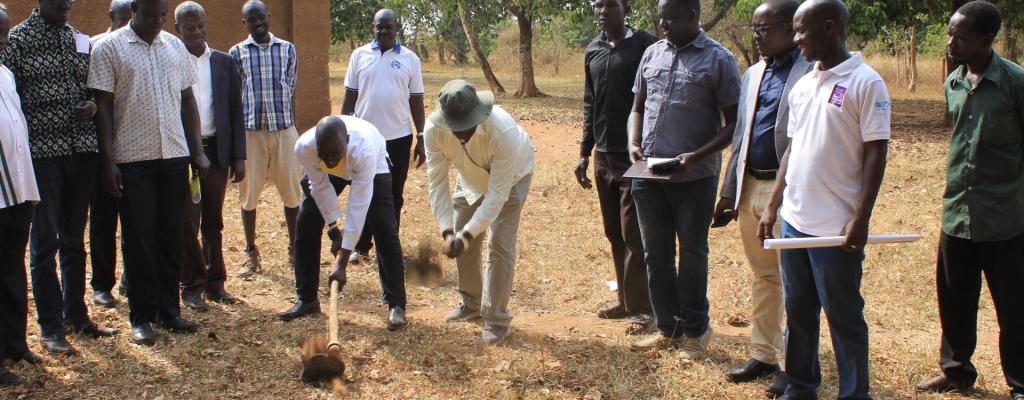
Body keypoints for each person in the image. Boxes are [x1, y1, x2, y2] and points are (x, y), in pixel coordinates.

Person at [757, 0, 891, 398]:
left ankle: (854, 393)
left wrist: (861, 217)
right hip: (796, 221)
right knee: (798, 311)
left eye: (802, 31)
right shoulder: (803, 85)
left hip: (835, 227)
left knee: (843, 315)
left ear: (829, 28)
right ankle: (800, 385)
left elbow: (875, 153)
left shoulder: (866, 83)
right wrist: (773, 206)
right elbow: (792, 151)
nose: (795, 39)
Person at [915, 2, 1024, 399]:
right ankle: (956, 370)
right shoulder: (953, 82)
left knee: (1014, 307)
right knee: (955, 300)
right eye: (949, 34)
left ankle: (1020, 382)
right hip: (957, 212)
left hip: (1005, 218)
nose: (950, 43)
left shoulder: (1015, 83)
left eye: (960, 37)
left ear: (986, 39)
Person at [0, 0, 119, 356]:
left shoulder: (81, 40)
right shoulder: (17, 41)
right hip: (42, 157)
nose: (67, 3)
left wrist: (92, 109)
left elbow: (94, 94)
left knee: (73, 239)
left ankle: (76, 315)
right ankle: (50, 327)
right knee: (45, 244)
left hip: (81, 152)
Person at [88, 0, 210, 346]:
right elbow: (104, 108)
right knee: (139, 239)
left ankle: (169, 310)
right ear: (135, 9)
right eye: (151, 15)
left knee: (171, 235)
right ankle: (141, 316)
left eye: (162, 16)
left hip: (172, 155)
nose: (157, 22)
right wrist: (108, 162)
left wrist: (196, 150)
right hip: (132, 160)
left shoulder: (174, 46)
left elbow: (188, 100)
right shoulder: (109, 48)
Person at [627, 0, 740, 360]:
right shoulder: (651, 54)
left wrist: (696, 156)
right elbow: (638, 107)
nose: (664, 25)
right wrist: (632, 141)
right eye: (660, 18)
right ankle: (667, 328)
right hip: (648, 175)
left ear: (693, 17)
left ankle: (695, 330)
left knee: (692, 254)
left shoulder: (719, 60)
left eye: (672, 18)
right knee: (656, 254)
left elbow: (734, 124)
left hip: (693, 177)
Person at [713, 0, 810, 394]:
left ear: (790, 28)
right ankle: (764, 354)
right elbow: (740, 135)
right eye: (753, 28)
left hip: (790, 190)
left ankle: (794, 365)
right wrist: (727, 190)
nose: (756, 35)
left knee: (794, 280)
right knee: (765, 275)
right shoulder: (752, 74)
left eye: (763, 28)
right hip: (751, 184)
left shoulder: (810, 72)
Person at [425, 80, 535, 345]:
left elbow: (497, 195)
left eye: (467, 127)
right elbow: (437, 182)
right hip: (470, 179)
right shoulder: (433, 130)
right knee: (464, 235)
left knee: (500, 245)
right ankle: (471, 302)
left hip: (511, 178)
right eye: (456, 129)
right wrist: (448, 230)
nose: (462, 135)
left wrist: (465, 235)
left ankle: (497, 320)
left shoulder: (503, 132)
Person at [574, 0, 657, 334]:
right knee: (614, 233)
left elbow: (652, 99)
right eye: (597, 5)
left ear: (626, 8)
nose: (602, 10)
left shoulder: (645, 45)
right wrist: (584, 151)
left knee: (633, 233)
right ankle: (624, 300)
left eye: (609, 4)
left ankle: (643, 310)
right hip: (603, 156)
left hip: (633, 156)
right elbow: (590, 102)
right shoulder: (593, 50)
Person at [284, 115, 407, 331]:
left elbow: (358, 205)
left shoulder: (363, 150)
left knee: (384, 230)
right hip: (332, 172)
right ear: (316, 146)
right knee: (306, 224)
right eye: (325, 154)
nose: (330, 159)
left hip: (371, 167)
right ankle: (307, 298)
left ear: (347, 141)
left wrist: (342, 261)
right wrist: (334, 230)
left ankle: (396, 305)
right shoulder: (305, 148)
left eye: (334, 154)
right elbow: (320, 188)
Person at [174, 2, 245, 311]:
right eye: (189, 28)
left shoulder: (224, 62)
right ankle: (191, 285)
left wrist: (239, 156)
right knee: (189, 219)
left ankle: (216, 283)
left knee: (214, 220)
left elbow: (235, 111)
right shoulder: (172, 61)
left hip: (216, 151)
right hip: (185, 152)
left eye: (201, 26)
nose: (197, 32)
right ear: (177, 30)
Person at [342, 8, 425, 266]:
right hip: (365, 139)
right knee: (363, 191)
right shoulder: (359, 56)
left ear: (396, 28)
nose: (384, 31)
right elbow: (350, 97)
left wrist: (421, 136)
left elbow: (417, 100)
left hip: (398, 139)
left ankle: (388, 246)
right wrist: (343, 130)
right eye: (380, 27)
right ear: (373, 28)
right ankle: (362, 246)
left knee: (393, 195)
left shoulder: (411, 59)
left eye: (389, 27)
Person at [230, 0, 301, 279]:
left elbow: (291, 86)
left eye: (261, 18)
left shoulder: (287, 49)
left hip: (284, 131)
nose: (257, 23)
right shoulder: (236, 53)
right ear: (244, 23)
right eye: (251, 20)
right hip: (251, 134)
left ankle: (294, 249)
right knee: (248, 195)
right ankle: (250, 252)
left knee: (292, 193)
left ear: (268, 17)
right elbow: (236, 93)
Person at [0, 3, 41, 385]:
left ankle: (15, 344)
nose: (2, 41)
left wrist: (29, 190)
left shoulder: (6, 74)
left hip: (16, 194)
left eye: (5, 34)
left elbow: (17, 135)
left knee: (12, 272)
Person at [89, 0, 135, 311]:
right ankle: (102, 285)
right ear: (111, 17)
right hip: (102, 151)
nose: (129, 24)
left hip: (135, 150)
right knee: (104, 220)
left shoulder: (141, 47)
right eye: (123, 19)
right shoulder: (93, 47)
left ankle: (131, 280)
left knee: (136, 221)